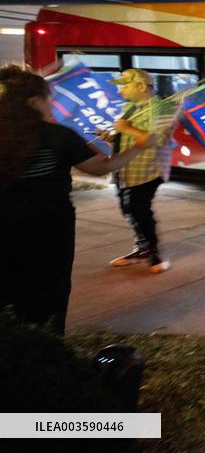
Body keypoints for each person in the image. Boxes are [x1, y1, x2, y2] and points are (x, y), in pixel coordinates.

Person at [0, 66, 147, 335]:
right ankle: (47, 341)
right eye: (48, 98)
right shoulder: (57, 136)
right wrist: (139, 146)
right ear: (34, 102)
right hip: (49, 225)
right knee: (50, 283)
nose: (51, 103)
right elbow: (102, 167)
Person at [105, 69, 177, 274]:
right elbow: (128, 135)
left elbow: (158, 139)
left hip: (147, 169)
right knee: (128, 210)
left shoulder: (163, 108)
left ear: (141, 86)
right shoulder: (129, 107)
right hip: (124, 169)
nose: (120, 91)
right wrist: (112, 137)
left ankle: (153, 254)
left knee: (139, 210)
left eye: (124, 86)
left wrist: (126, 128)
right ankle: (141, 249)